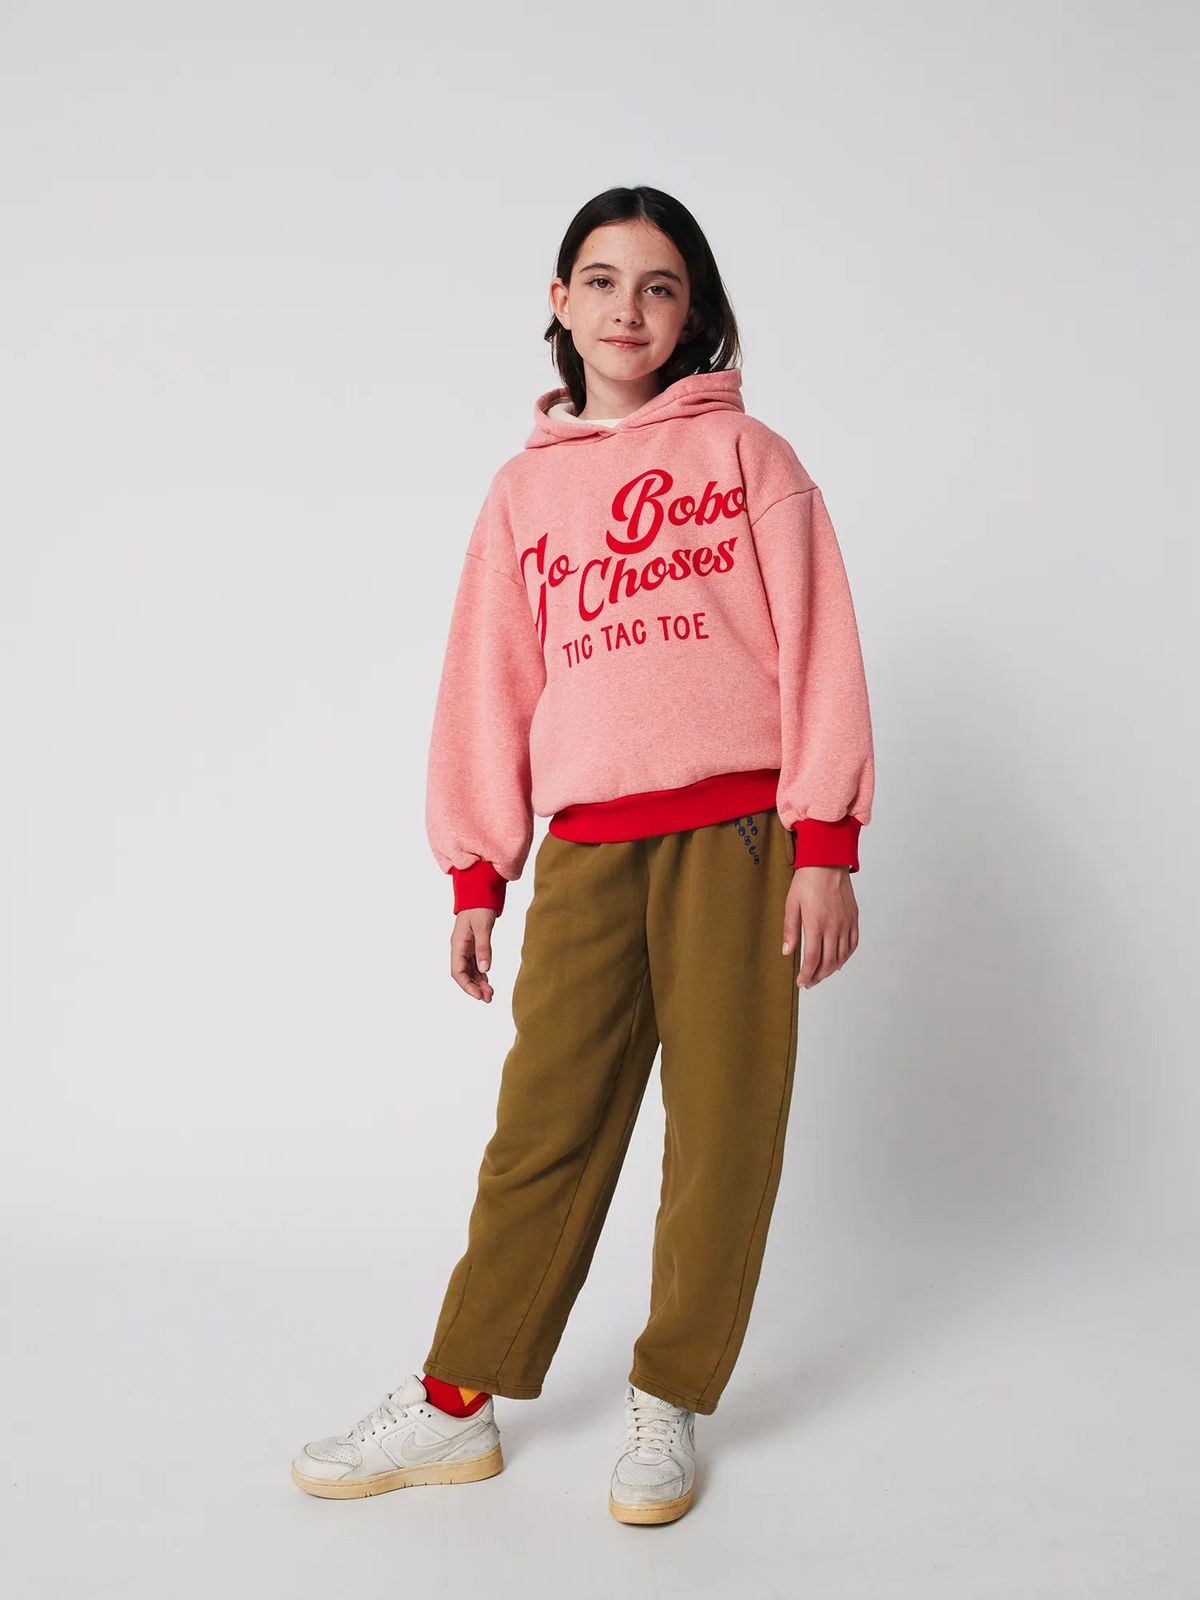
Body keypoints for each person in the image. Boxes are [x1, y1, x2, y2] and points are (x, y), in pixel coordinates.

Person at [291, 184, 875, 1525]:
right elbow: (487, 686)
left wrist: (827, 843)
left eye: (660, 286)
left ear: (694, 310)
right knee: (543, 1127)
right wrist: (477, 873)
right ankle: (456, 1402)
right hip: (589, 849)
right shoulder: (524, 494)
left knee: (723, 1130)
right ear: (560, 303)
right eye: (603, 282)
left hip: (741, 838)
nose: (629, 309)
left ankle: (669, 1396)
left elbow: (822, 644)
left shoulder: (751, 458)